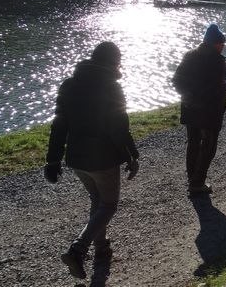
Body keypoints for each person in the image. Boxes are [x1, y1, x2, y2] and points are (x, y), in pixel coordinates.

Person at [44, 41, 140, 286]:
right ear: (114, 62)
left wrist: (53, 160)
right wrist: (132, 155)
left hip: (77, 159)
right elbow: (119, 128)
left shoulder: (69, 85)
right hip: (103, 159)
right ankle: (78, 249)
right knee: (108, 205)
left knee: (97, 202)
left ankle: (102, 249)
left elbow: (59, 126)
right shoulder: (111, 88)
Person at [173, 23, 226, 196]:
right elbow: (218, 88)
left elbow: (176, 80)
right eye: (221, 44)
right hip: (209, 111)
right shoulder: (218, 61)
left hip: (190, 109)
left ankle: (192, 178)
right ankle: (198, 182)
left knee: (193, 144)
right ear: (215, 43)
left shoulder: (189, 55)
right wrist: (207, 101)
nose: (223, 47)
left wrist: (188, 97)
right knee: (209, 146)